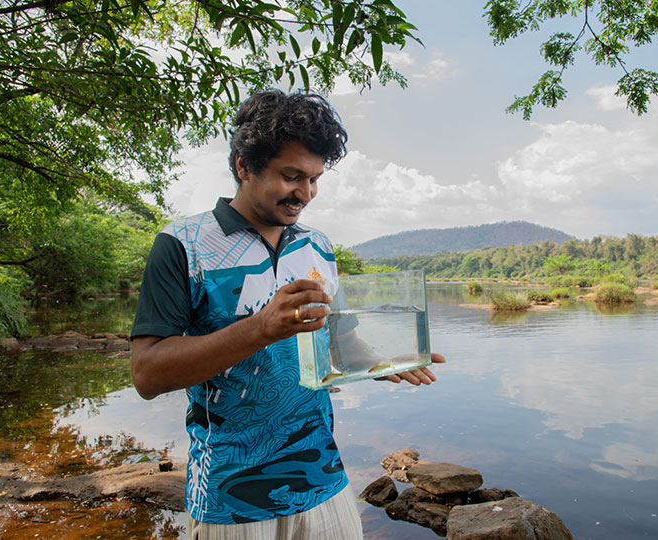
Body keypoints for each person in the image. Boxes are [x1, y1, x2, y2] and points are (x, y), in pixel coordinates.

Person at [130, 89, 445, 540]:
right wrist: (260, 328)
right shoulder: (184, 245)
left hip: (323, 480)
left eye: (315, 178)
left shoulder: (317, 246)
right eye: (291, 176)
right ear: (243, 165)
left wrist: (387, 364)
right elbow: (147, 374)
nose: (306, 193)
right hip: (230, 498)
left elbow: (343, 347)